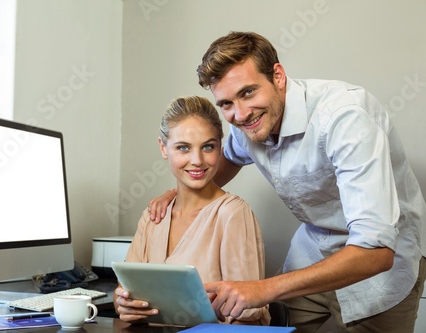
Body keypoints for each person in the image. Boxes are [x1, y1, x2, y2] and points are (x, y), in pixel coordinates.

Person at [148, 32, 426, 333]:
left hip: (381, 261)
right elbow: (225, 160)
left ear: (278, 76)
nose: (240, 114)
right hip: (314, 250)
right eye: (226, 103)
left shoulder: (345, 118)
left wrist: (263, 288)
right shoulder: (247, 123)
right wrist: (179, 194)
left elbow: (376, 250)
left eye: (248, 92)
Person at [114, 96, 270, 325]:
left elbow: (249, 315)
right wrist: (124, 305)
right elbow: (124, 292)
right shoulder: (153, 217)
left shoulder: (232, 214)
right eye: (183, 148)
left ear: (220, 147)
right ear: (163, 148)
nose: (197, 160)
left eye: (208, 147)